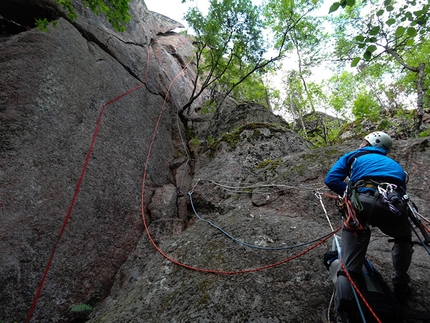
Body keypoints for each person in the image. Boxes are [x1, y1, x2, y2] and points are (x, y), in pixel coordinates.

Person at [324, 131, 414, 322]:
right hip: (394, 203)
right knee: (404, 238)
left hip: (361, 202)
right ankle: (400, 280)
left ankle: (342, 314)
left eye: (363, 140)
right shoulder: (396, 166)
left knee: (349, 266)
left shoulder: (353, 156)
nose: (361, 143)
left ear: (369, 142)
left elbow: (331, 179)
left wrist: (348, 194)